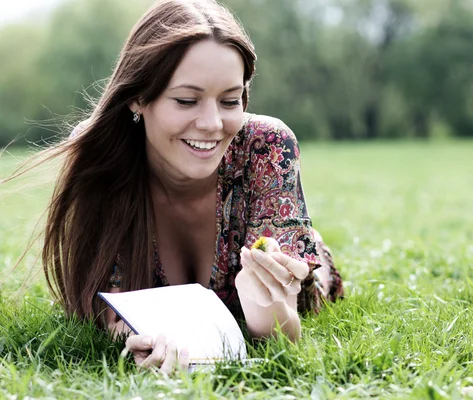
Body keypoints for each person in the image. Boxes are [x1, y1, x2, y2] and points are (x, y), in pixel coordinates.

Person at [36, 0, 343, 373]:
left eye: (230, 101)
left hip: (298, 285)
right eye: (186, 100)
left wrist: (272, 310)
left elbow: (281, 335)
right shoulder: (99, 155)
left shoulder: (267, 145)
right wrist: (146, 342)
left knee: (300, 267)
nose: (213, 123)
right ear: (138, 97)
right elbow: (110, 311)